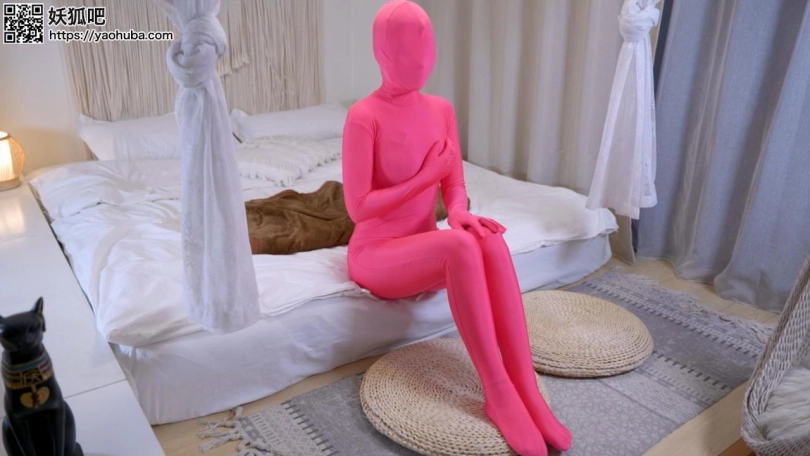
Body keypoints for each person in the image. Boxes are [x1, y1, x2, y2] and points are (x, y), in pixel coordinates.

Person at [341, 1, 572, 454]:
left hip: (422, 245)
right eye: (407, 55)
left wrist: (461, 212)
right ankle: (498, 393)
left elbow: (455, 183)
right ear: (382, 54)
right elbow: (359, 209)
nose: (420, 64)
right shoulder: (364, 116)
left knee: (486, 238)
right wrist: (425, 177)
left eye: (426, 53)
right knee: (460, 248)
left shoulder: (441, 109)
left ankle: (524, 386)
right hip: (376, 253)